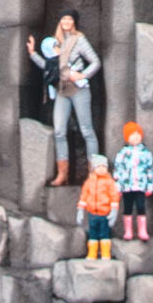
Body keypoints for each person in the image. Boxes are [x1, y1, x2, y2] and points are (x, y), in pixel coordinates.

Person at [27, 10, 101, 185]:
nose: (66, 21)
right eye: (63, 18)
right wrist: (32, 54)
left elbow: (96, 62)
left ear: (74, 22)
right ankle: (63, 174)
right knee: (59, 131)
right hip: (62, 90)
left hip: (79, 90)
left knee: (86, 130)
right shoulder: (56, 42)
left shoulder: (79, 40)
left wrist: (82, 75)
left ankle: (94, 172)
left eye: (69, 19)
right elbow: (49, 67)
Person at [112, 119, 153, 238]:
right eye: (132, 135)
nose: (135, 137)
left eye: (137, 134)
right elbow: (118, 169)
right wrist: (118, 185)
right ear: (127, 138)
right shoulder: (123, 153)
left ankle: (142, 231)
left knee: (141, 207)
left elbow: (149, 169)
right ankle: (128, 231)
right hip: (127, 186)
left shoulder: (146, 153)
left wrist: (150, 184)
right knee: (127, 208)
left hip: (141, 185)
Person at [77, 154, 120, 260]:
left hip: (105, 213)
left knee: (104, 233)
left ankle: (105, 253)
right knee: (93, 233)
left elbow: (114, 196)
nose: (101, 169)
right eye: (98, 167)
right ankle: (92, 253)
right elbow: (84, 196)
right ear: (93, 168)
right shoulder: (88, 182)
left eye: (103, 167)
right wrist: (80, 210)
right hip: (92, 213)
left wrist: (114, 211)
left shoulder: (110, 182)